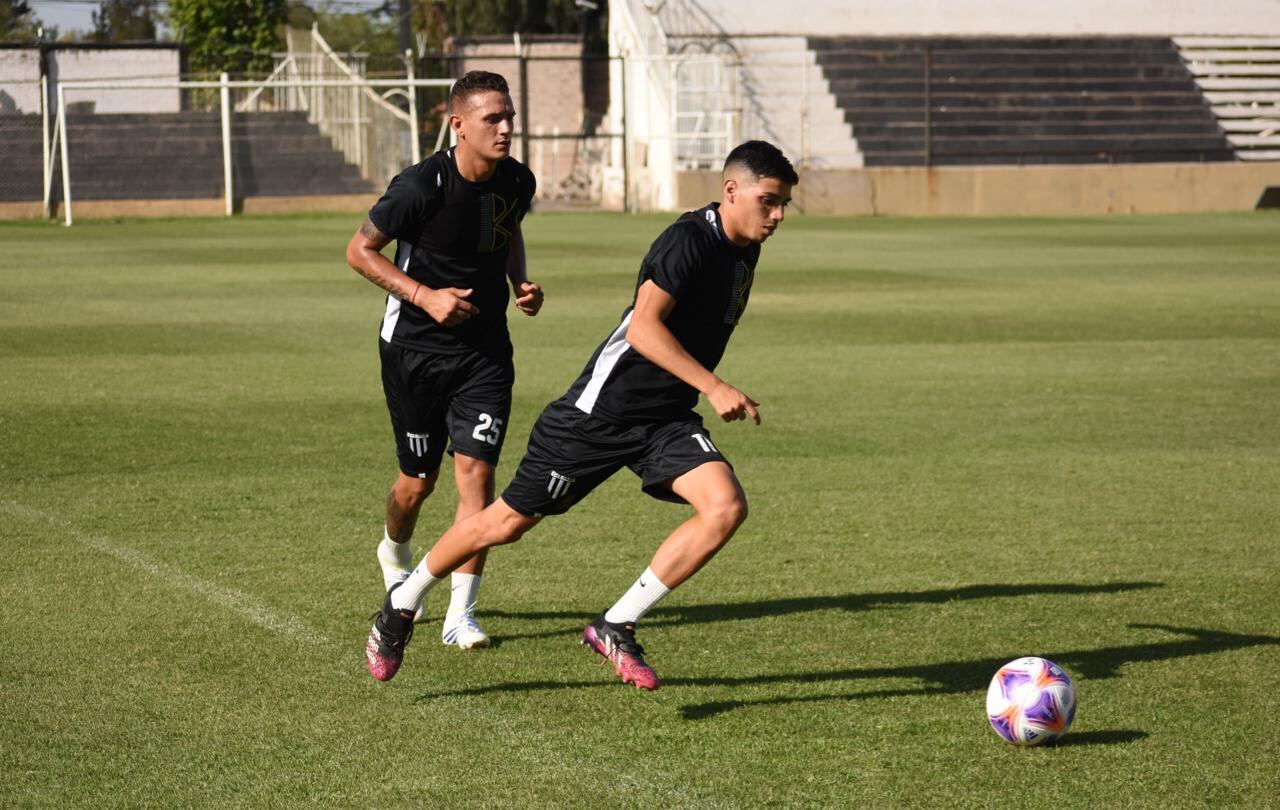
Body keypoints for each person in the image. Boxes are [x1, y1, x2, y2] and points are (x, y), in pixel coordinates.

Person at [365, 139, 798, 688]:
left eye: (784, 203)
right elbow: (642, 330)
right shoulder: (687, 241)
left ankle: (616, 624)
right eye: (769, 200)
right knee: (504, 524)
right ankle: (401, 603)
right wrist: (713, 386)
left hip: (664, 418)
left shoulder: (744, 249)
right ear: (731, 191)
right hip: (597, 415)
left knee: (725, 506)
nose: (778, 214)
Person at [345, 70, 542, 650]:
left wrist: (519, 281)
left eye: (509, 117)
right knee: (416, 483)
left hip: (484, 353)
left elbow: (507, 232)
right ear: (458, 124)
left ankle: (462, 613)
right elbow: (359, 252)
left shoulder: (518, 181)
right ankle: (394, 551)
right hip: (413, 351)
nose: (506, 128)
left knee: (477, 476)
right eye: (493, 119)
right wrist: (424, 296)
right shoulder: (418, 186)